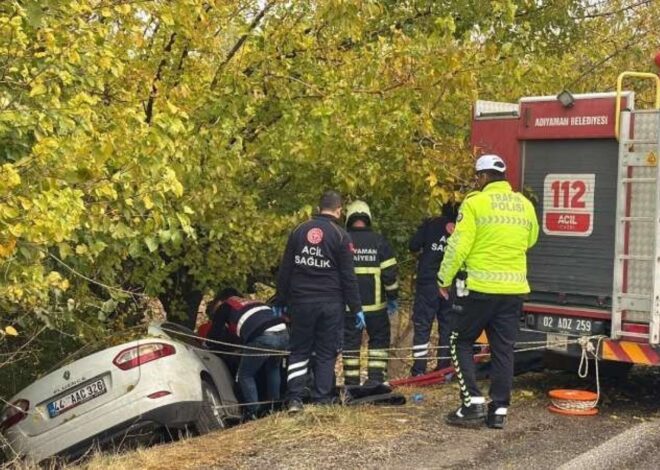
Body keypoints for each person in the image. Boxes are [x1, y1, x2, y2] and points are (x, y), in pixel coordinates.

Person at [438, 154, 539, 429]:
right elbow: (532, 239)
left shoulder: (475, 203)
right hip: (514, 290)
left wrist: (443, 278)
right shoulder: (524, 205)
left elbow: (458, 246)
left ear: (482, 177)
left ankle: (471, 403)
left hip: (479, 290)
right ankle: (499, 410)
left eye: (477, 177)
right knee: (503, 349)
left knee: (460, 340)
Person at [274, 190, 363, 413]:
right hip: (330, 303)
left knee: (299, 350)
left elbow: (286, 269)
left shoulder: (298, 230)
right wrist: (357, 308)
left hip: (301, 302)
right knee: (326, 351)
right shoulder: (341, 236)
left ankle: (294, 399)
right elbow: (348, 277)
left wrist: (280, 299)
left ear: (318, 207)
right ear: (339, 210)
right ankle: (321, 399)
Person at [206, 288, 289, 420]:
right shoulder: (253, 302)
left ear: (221, 300)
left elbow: (214, 335)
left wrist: (208, 346)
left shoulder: (225, 306)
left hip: (263, 337)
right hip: (283, 333)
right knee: (273, 368)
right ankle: (275, 405)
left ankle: (253, 411)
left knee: (245, 375)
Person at [342, 200, 398, 386]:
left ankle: (351, 384)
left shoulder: (343, 239)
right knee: (379, 342)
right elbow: (390, 274)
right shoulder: (378, 241)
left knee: (350, 345)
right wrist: (393, 298)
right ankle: (375, 380)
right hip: (377, 308)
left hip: (349, 308)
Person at [408, 202, 457, 376]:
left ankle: (419, 370)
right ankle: (444, 369)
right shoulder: (463, 227)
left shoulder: (431, 224)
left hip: (428, 283)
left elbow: (413, 245)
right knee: (447, 326)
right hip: (450, 284)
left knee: (422, 326)